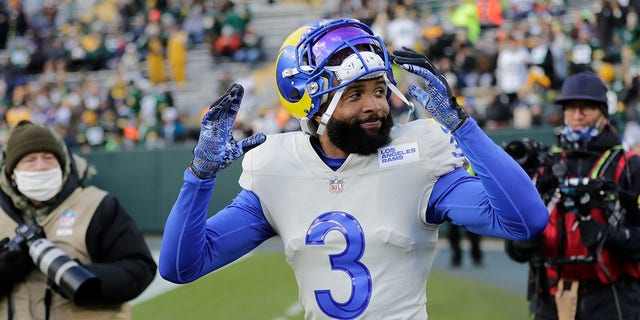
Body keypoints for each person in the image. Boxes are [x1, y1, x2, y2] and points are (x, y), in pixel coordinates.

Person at [159, 18, 549, 319]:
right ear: (313, 104)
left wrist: (463, 127)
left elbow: (524, 221)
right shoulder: (277, 168)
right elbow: (181, 265)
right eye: (354, 94)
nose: (374, 106)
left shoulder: (419, 157)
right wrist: (200, 176)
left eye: (380, 90)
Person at [505, 72, 640, 320]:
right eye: (570, 108)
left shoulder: (630, 167)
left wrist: (610, 236)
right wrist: (523, 241)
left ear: (603, 112)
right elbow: (514, 248)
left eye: (586, 108)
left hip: (613, 297)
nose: (577, 116)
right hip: (550, 296)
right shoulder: (545, 166)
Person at [0, 120, 157, 319]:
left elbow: (140, 270)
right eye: (30, 159)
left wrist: (82, 277)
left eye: (49, 157)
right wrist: (4, 271)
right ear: (12, 172)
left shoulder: (98, 205)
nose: (40, 166)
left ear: (62, 162)